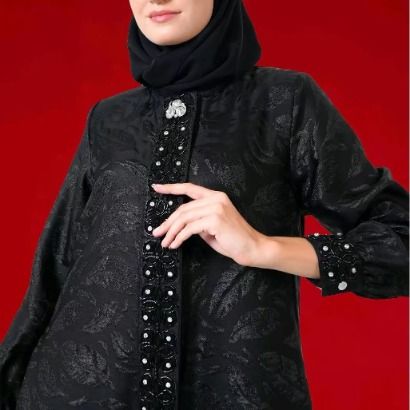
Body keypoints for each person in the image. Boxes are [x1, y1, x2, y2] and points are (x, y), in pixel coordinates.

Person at [0, 0, 408, 409]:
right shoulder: (107, 119)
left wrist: (264, 248)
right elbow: (54, 270)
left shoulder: (285, 102)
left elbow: (401, 241)